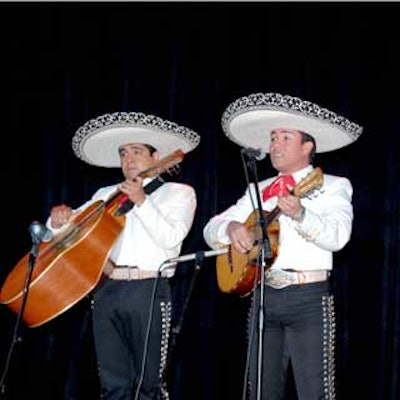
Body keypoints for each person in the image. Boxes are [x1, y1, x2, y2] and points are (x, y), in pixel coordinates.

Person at [203, 93, 363, 399]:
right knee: (261, 390)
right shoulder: (258, 189)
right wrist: (232, 227)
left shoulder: (332, 185)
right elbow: (211, 229)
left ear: (307, 147)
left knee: (315, 391)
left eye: (285, 138)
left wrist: (301, 214)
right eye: (273, 138)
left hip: (308, 297)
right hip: (264, 296)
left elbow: (339, 237)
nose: (275, 144)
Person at [46, 111, 200, 400]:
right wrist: (57, 221)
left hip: (148, 290)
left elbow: (170, 239)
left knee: (150, 385)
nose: (128, 158)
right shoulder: (106, 193)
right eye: (123, 153)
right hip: (106, 289)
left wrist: (141, 200)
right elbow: (70, 230)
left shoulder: (178, 193)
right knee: (112, 383)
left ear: (156, 157)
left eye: (137, 151)